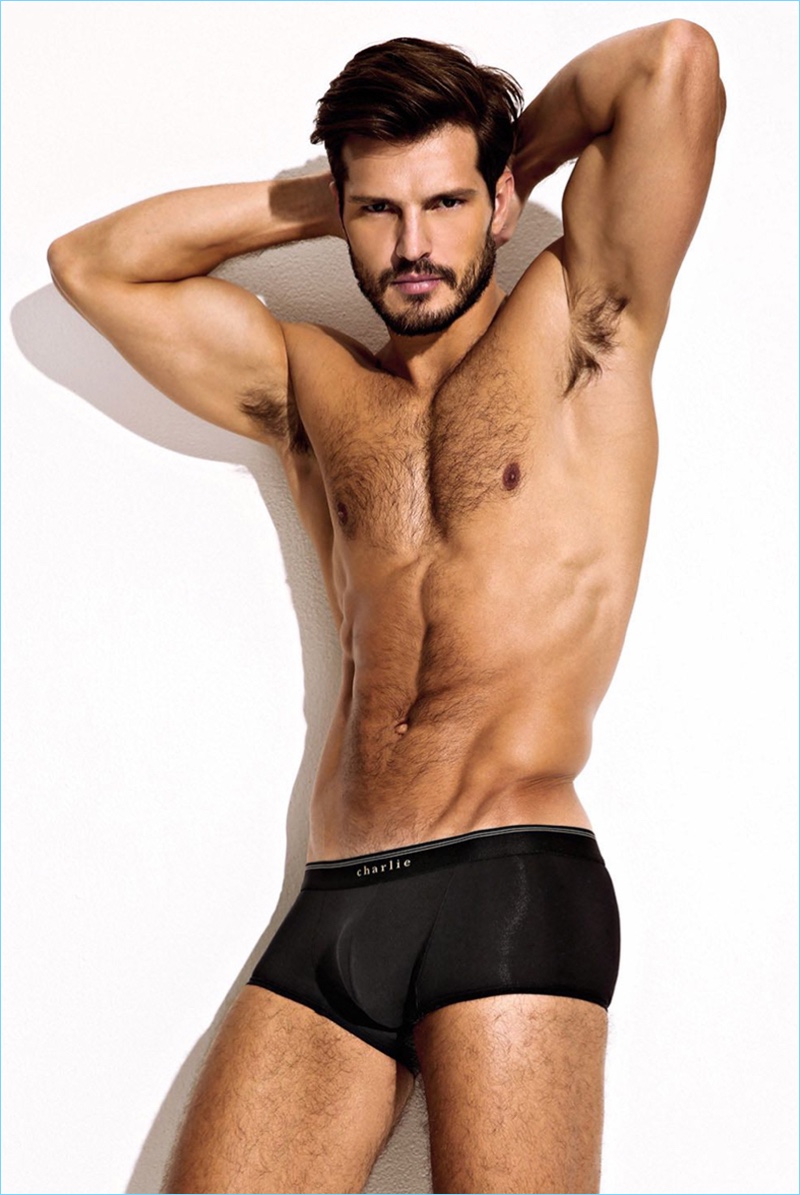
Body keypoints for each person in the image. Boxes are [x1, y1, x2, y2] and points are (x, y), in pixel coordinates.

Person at [47, 21, 725, 1195]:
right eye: (380, 213)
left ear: (499, 202)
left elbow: (671, 63)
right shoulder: (310, 383)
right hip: (336, 901)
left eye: (445, 204)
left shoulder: (579, 322)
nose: (414, 246)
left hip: (509, 880)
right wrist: (326, 200)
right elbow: (91, 265)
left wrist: (506, 163)